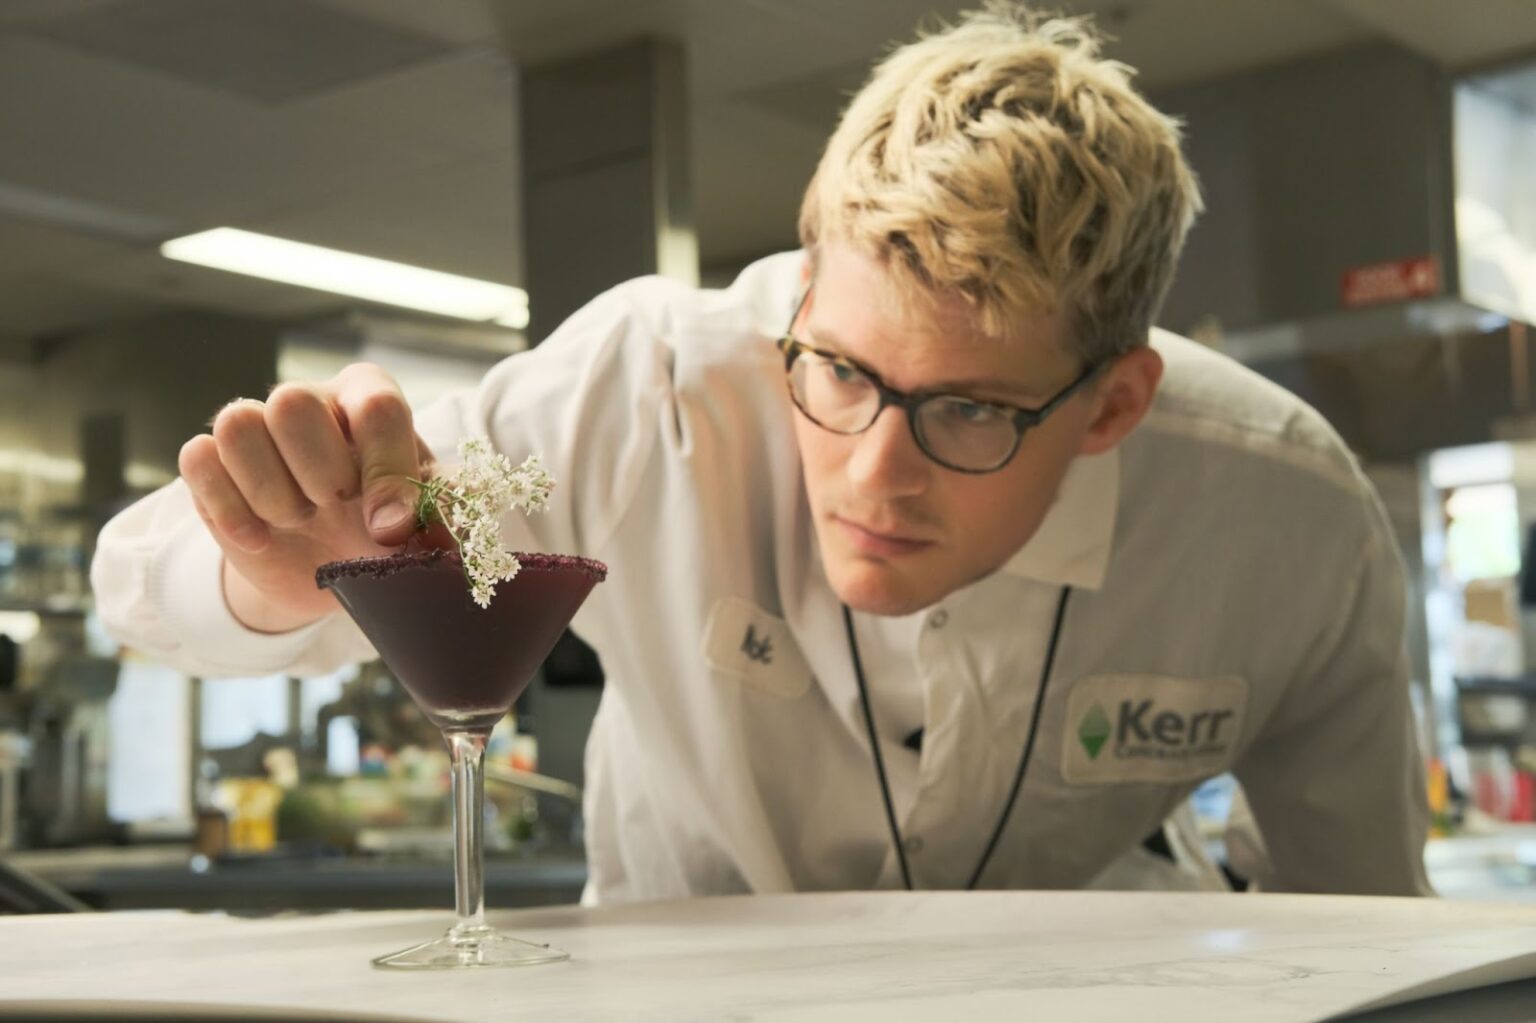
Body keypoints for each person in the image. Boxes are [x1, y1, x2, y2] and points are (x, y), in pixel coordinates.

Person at [91, 4, 1431, 901]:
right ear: (796, 305)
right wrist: (281, 575)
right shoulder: (645, 390)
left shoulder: (1283, 516)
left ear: (1114, 406)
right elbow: (140, 584)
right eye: (840, 372)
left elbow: (1362, 911)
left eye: (971, 411)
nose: (873, 474)